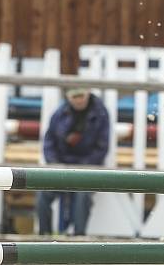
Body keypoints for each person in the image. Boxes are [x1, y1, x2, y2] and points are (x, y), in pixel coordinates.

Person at [37, 87, 110, 235]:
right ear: (68, 97)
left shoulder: (99, 113)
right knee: (42, 194)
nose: (78, 100)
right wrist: (56, 165)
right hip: (62, 167)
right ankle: (44, 236)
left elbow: (101, 149)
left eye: (80, 95)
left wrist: (81, 168)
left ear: (88, 93)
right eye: (74, 96)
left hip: (87, 169)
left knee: (82, 194)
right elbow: (49, 143)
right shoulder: (60, 114)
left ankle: (79, 237)